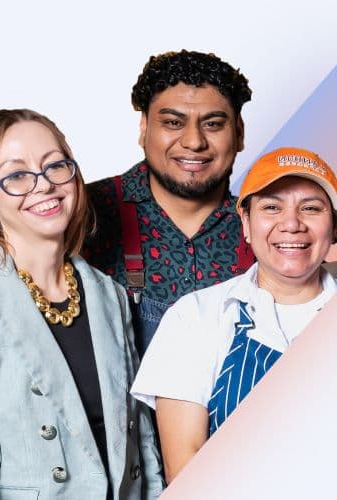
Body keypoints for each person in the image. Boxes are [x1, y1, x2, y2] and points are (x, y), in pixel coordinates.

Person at [0, 109, 163, 500]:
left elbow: (141, 443)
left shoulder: (109, 293)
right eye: (16, 175)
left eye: (55, 166)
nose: (43, 185)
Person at [130, 147, 337, 482]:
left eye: (311, 208)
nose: (292, 224)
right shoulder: (195, 317)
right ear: (246, 222)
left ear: (334, 227)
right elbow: (187, 472)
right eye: (272, 207)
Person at [84, 50, 255, 356]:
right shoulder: (83, 214)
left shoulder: (270, 228)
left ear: (239, 134)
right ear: (143, 128)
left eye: (213, 124)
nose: (193, 141)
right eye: (173, 123)